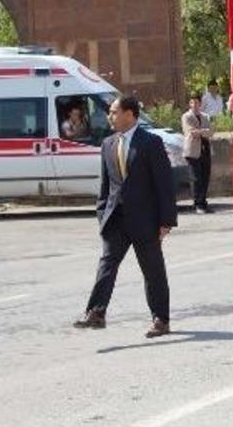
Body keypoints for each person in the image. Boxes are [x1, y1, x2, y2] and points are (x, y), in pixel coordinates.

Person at [74, 95, 176, 338]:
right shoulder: (108, 144)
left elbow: (164, 184)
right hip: (116, 219)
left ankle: (161, 319)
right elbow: (106, 186)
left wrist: (166, 221)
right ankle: (96, 312)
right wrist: (102, 214)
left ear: (130, 114)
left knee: (152, 271)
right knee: (107, 264)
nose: (109, 116)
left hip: (145, 220)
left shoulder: (150, 142)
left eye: (114, 112)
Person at [181, 93, 215, 214]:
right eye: (192, 102)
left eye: (196, 102)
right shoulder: (186, 116)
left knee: (205, 177)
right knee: (196, 178)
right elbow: (191, 132)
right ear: (189, 104)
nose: (194, 105)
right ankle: (198, 204)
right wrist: (204, 131)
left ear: (200, 104)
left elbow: (211, 132)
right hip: (193, 151)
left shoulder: (205, 116)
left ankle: (203, 202)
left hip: (205, 149)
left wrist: (202, 131)